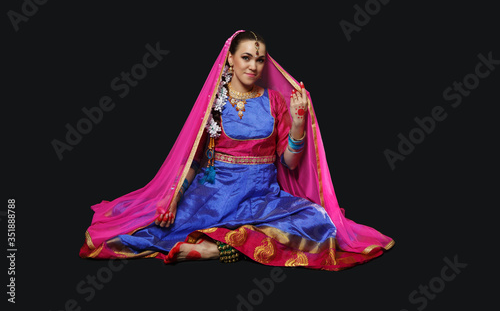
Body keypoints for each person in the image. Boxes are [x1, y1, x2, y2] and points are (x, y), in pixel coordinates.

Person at [79, 30, 394, 270]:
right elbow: (194, 158)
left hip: (262, 195)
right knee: (155, 226)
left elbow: (290, 162)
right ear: (230, 58)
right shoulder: (214, 103)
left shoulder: (274, 102)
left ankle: (212, 250)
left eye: (259, 59)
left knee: (318, 222)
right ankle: (218, 243)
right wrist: (173, 196)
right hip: (215, 192)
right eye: (246, 57)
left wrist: (298, 125)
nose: (254, 65)